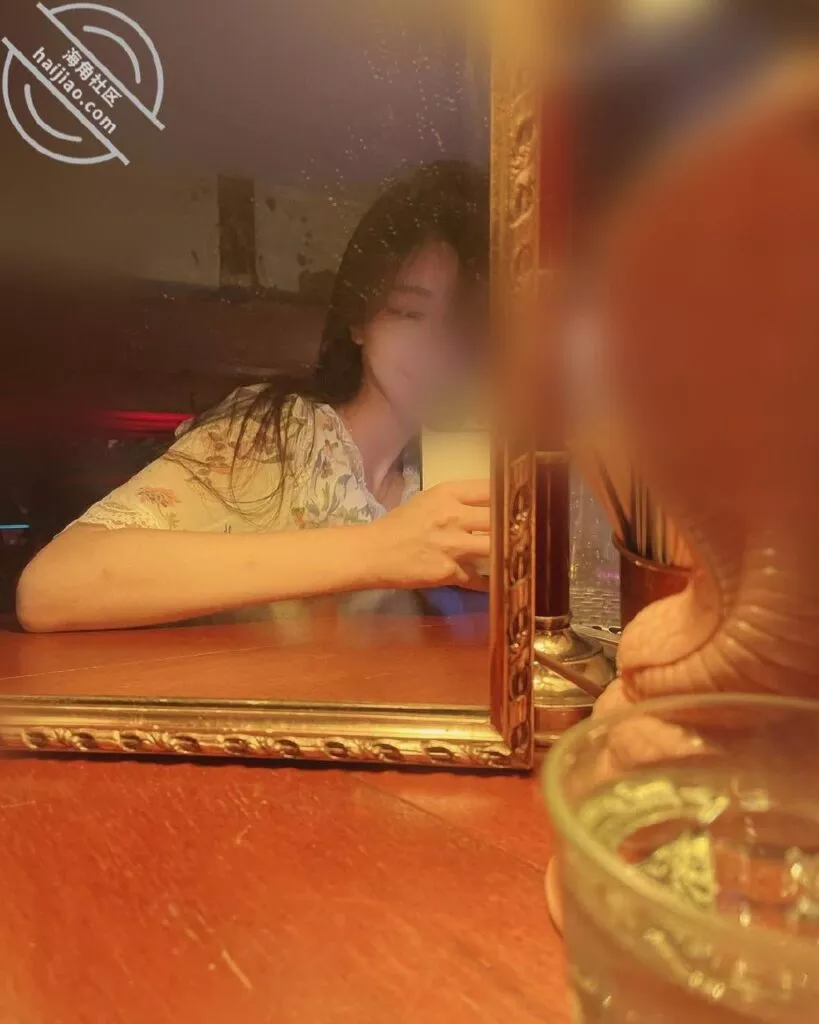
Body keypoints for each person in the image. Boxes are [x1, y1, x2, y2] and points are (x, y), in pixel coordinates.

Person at [16, 161, 491, 633]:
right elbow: (53, 586)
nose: (438, 347)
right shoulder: (281, 435)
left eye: (463, 322)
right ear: (358, 322)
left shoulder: (431, 470)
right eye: (408, 312)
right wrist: (383, 548)